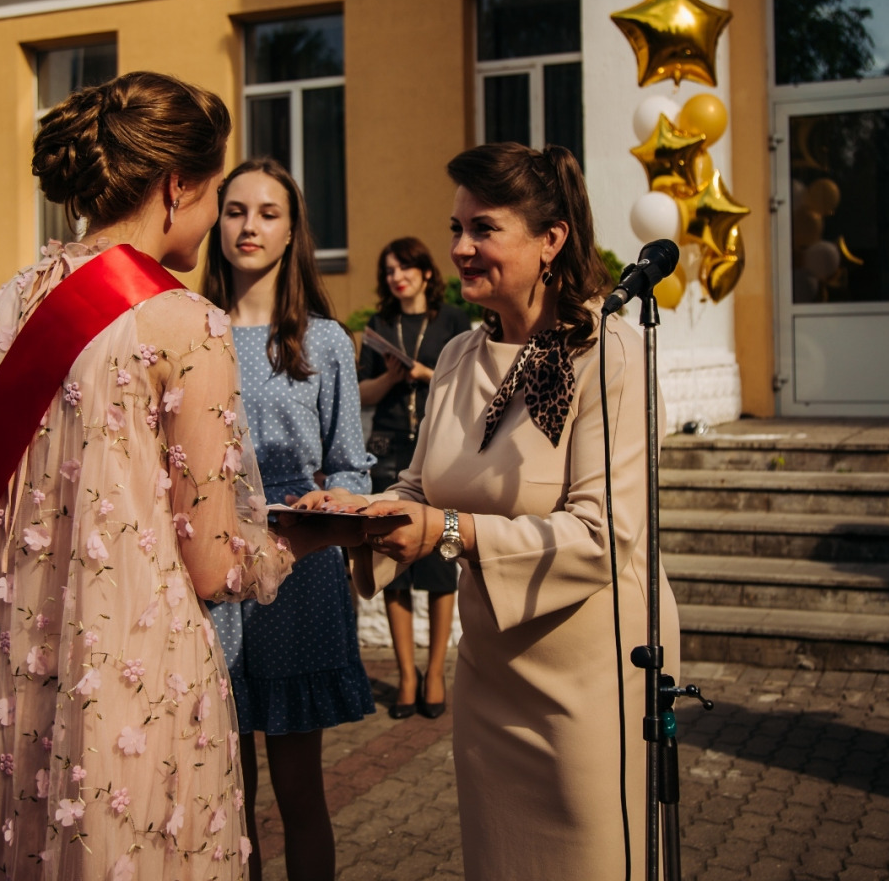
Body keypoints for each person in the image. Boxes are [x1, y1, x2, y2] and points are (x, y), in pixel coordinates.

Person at [0, 73, 366, 881]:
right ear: (176, 185)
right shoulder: (187, 322)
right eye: (215, 189)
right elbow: (220, 569)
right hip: (133, 686)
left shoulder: (6, 307)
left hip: (9, 680)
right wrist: (316, 531)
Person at [298, 142, 680, 880]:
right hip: (492, 673)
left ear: (552, 241)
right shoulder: (458, 356)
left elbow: (607, 536)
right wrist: (358, 510)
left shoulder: (613, 354)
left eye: (484, 229)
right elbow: (421, 488)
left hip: (591, 679)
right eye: (456, 229)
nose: (460, 249)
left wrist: (446, 532)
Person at [202, 158, 375, 881]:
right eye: (236, 210)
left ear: (292, 229)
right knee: (220, 792)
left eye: (268, 213)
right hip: (208, 568)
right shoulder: (191, 331)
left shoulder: (325, 340)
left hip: (297, 571)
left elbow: (348, 463)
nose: (249, 226)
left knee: (299, 791)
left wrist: (327, 504)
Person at [356, 237, 469, 718]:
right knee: (392, 567)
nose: (396, 275)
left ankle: (436, 671)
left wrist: (424, 373)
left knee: (442, 562)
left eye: (404, 266)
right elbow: (363, 392)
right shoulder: (378, 326)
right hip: (386, 450)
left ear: (425, 272)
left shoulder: (453, 322)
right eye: (388, 269)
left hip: (439, 450)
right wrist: (390, 378)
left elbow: (466, 385)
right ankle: (406, 676)